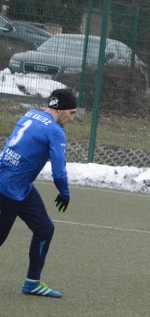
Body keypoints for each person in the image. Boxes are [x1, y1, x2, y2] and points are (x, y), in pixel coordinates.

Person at [0, 88, 77, 298]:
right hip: (7, 187)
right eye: (71, 113)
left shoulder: (30, 114)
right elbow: (59, 171)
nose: (71, 118)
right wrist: (65, 193)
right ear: (59, 109)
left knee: (44, 229)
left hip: (19, 185)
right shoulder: (55, 131)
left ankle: (32, 283)